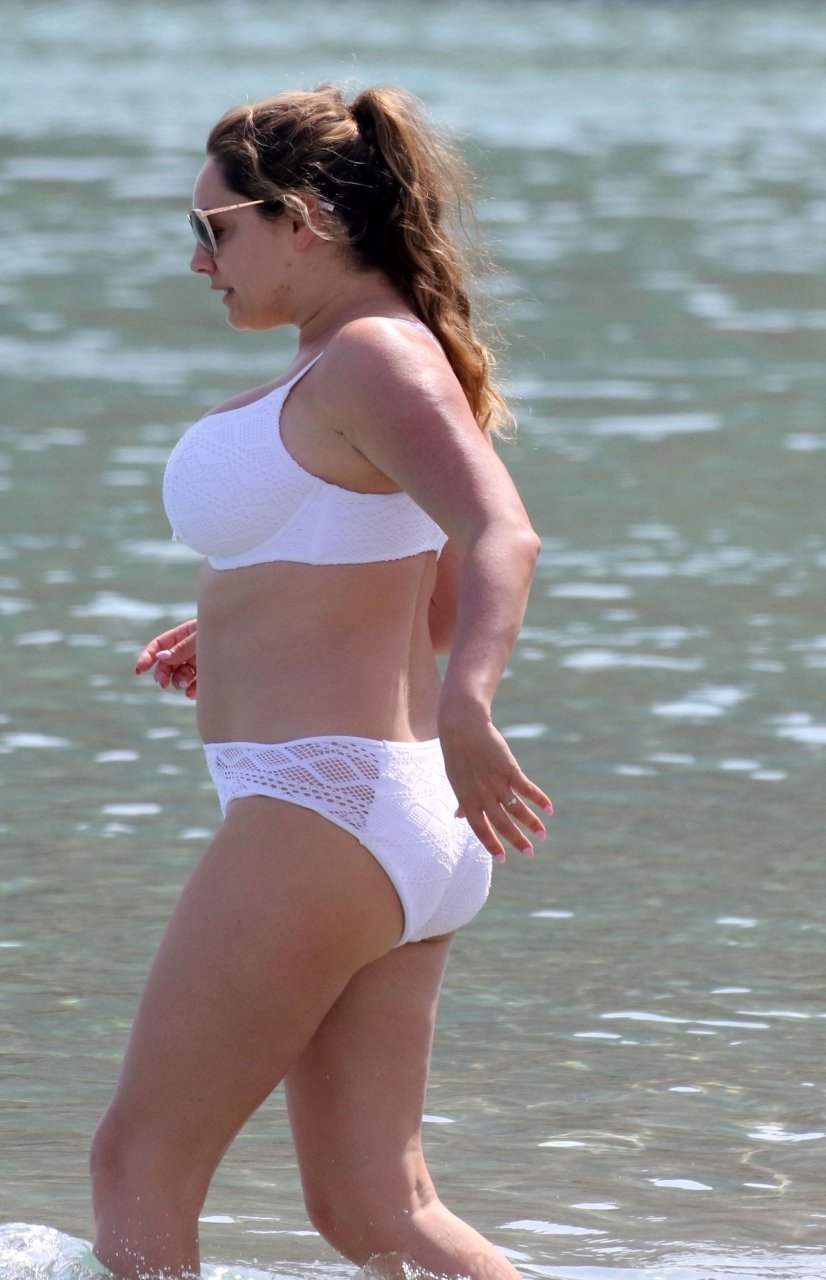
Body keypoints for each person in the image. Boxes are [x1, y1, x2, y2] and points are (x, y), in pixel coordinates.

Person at [89, 84, 552, 1280]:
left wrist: (469, 707)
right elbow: (423, 590)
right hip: (380, 818)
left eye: (214, 230)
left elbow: (502, 534)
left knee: (139, 1162)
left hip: (325, 806)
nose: (199, 261)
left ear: (300, 220)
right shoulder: (368, 356)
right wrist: (242, 619)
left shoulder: (371, 355)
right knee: (374, 1209)